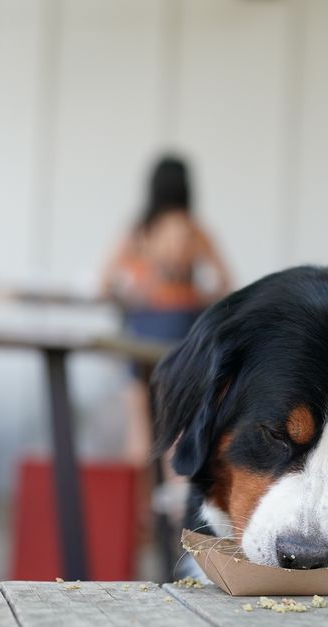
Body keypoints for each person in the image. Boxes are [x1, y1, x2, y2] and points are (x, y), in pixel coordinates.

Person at [102, 155, 232, 465]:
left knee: (138, 427)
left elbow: (105, 284)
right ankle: (174, 511)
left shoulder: (140, 231)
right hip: (182, 332)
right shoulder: (193, 230)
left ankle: (134, 511)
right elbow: (225, 282)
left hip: (142, 331)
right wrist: (195, 293)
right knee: (176, 426)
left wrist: (140, 291)